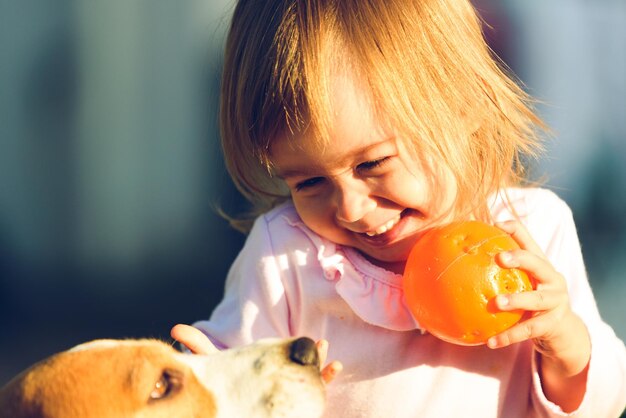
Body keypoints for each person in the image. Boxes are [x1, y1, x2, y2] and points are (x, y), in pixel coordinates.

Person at [171, 0, 626, 416]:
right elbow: (232, 374)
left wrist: (564, 339)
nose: (349, 207)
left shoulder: (530, 236)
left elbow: (597, 403)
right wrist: (211, 381)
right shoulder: (285, 256)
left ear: (461, 104)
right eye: (308, 182)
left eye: (373, 163)